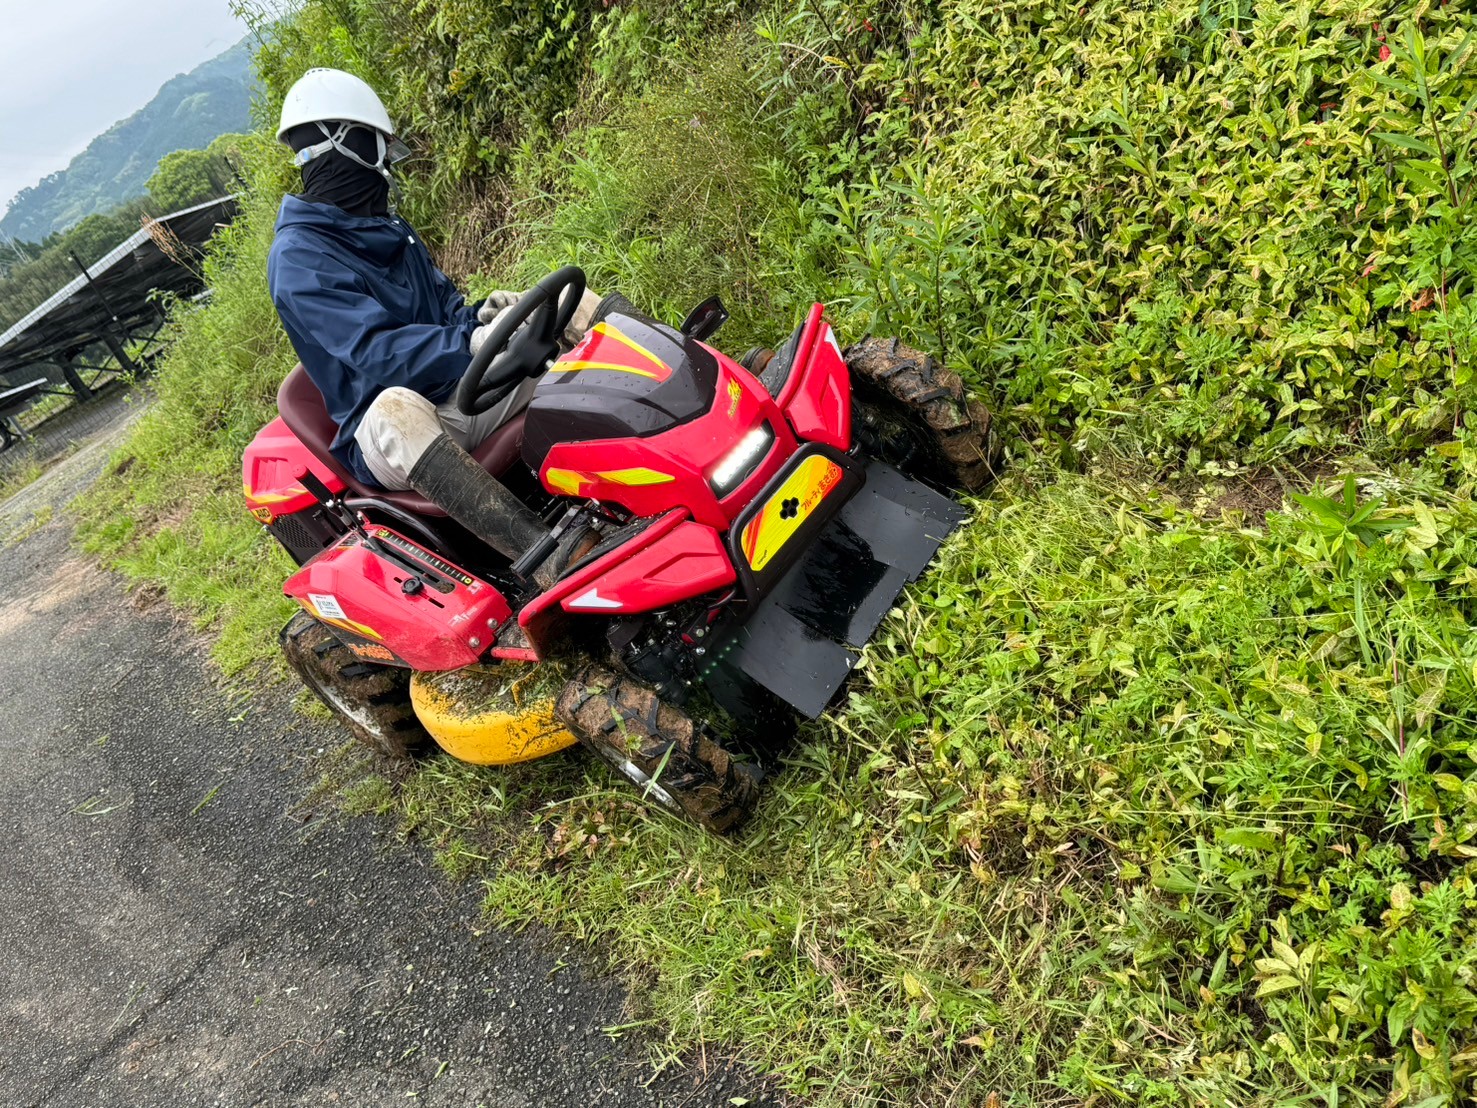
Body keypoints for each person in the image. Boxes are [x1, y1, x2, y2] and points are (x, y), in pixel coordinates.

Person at [266, 67, 599, 571]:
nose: (385, 168)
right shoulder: (298, 258)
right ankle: (548, 557)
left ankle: (702, 387)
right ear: (346, 142)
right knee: (392, 409)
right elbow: (377, 354)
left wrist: (480, 319)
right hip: (388, 429)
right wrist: (469, 344)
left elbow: (447, 309)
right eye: (379, 149)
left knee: (534, 302)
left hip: (456, 388)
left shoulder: (387, 227)